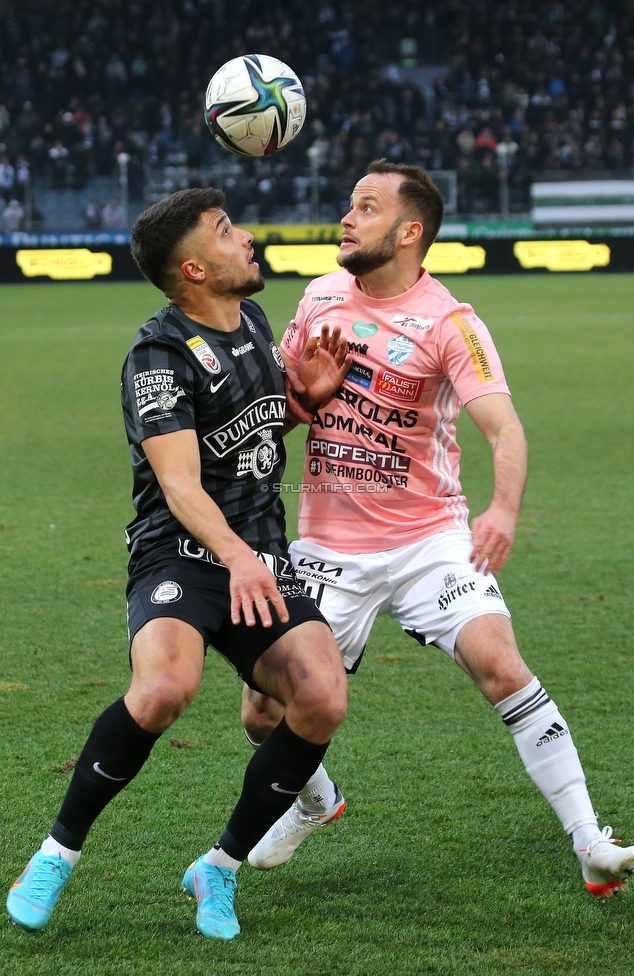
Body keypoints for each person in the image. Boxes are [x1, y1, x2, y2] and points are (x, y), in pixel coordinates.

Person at [241, 160, 634, 901]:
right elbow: (285, 403)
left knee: (500, 663)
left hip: (431, 539)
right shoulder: (320, 295)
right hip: (329, 546)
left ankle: (591, 841)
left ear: (409, 231)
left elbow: (507, 430)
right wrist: (308, 395)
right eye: (349, 205)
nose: (346, 218)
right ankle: (315, 802)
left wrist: (503, 511)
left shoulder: (452, 322)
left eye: (365, 208)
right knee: (262, 707)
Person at [6, 187, 350, 940]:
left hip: (258, 554)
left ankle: (218, 868)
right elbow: (180, 482)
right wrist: (236, 556)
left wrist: (302, 403)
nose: (247, 237)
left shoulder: (255, 321)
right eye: (228, 231)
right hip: (183, 552)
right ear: (194, 267)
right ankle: (55, 855)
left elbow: (248, 434)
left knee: (321, 698)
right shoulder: (156, 356)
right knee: (165, 688)